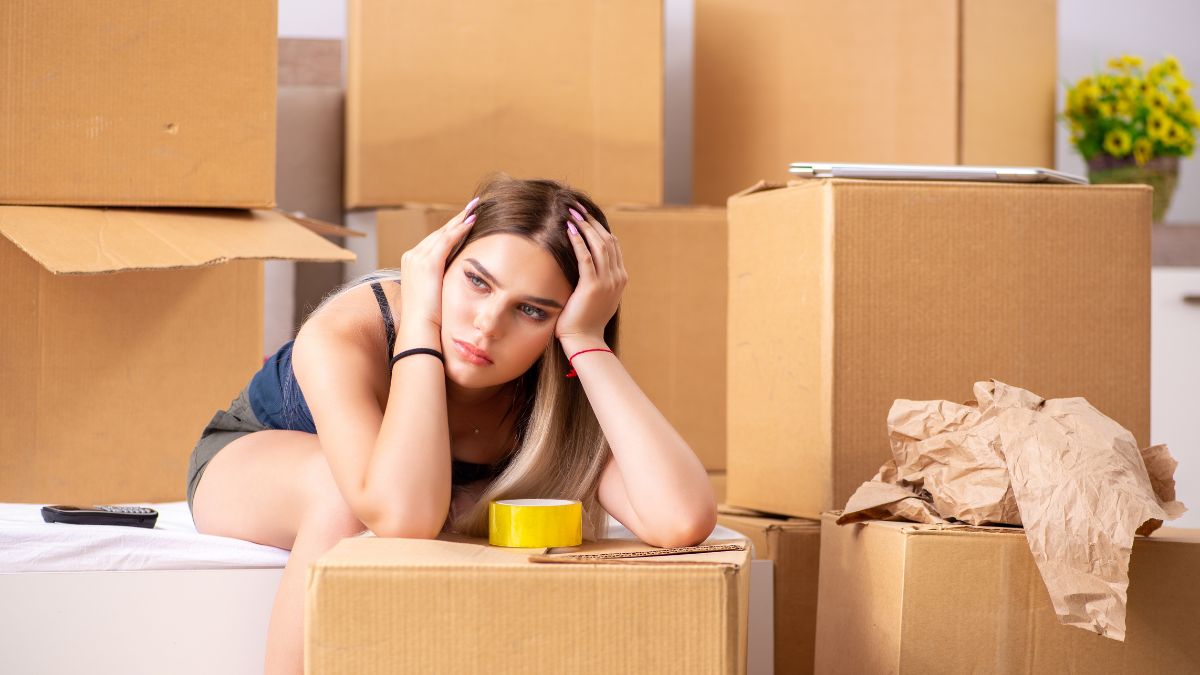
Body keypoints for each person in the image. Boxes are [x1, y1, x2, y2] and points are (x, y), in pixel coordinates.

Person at [185, 176, 716, 674]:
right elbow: (402, 515)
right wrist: (420, 321)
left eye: (532, 311)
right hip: (260, 459)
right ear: (440, 263)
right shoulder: (355, 327)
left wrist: (585, 339)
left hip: (410, 488)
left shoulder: (554, 382)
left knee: (443, 505)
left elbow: (678, 520)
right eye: (477, 281)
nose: (488, 324)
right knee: (347, 496)